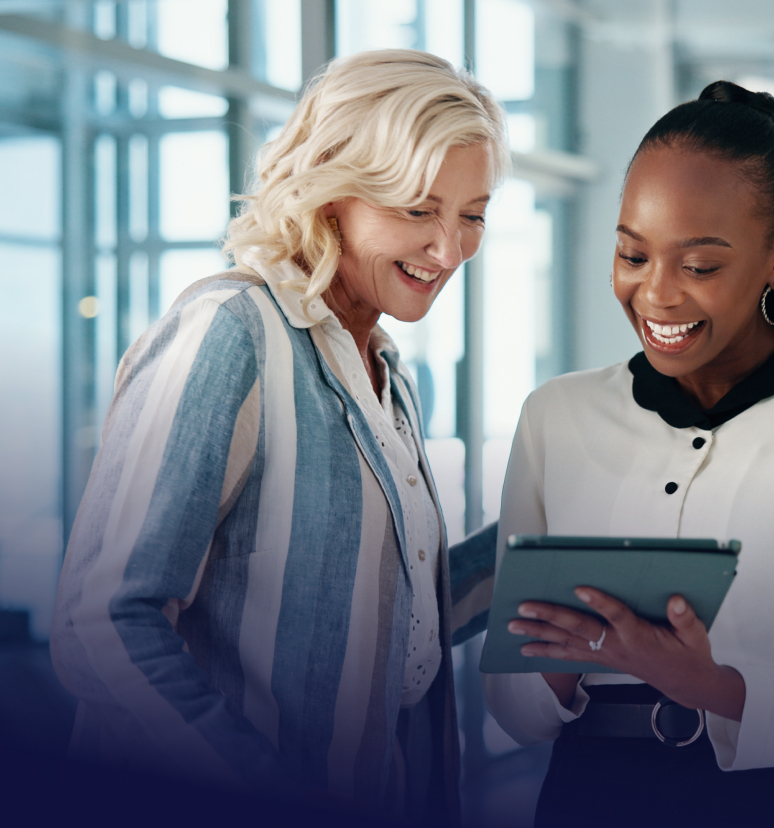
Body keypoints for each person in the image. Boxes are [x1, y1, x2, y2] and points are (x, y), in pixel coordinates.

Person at [50, 50, 507, 824]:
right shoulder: (233, 334)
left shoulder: (384, 373)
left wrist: (545, 543)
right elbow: (102, 623)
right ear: (335, 192)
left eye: (471, 215)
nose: (449, 249)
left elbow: (390, 627)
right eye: (418, 208)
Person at [483, 81, 774, 827]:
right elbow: (510, 705)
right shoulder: (554, 418)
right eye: (632, 254)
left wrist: (714, 685)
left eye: (699, 266)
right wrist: (569, 661)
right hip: (596, 798)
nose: (656, 295)